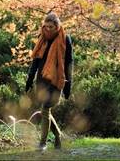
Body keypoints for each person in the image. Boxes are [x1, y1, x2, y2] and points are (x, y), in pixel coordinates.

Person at [25, 12, 73, 151]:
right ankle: (58, 136)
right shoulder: (42, 37)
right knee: (46, 111)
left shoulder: (65, 39)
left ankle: (43, 143)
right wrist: (30, 78)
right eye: (45, 26)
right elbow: (36, 60)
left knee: (45, 109)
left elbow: (69, 62)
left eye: (51, 27)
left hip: (57, 79)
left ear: (57, 26)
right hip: (41, 79)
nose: (48, 29)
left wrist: (68, 85)